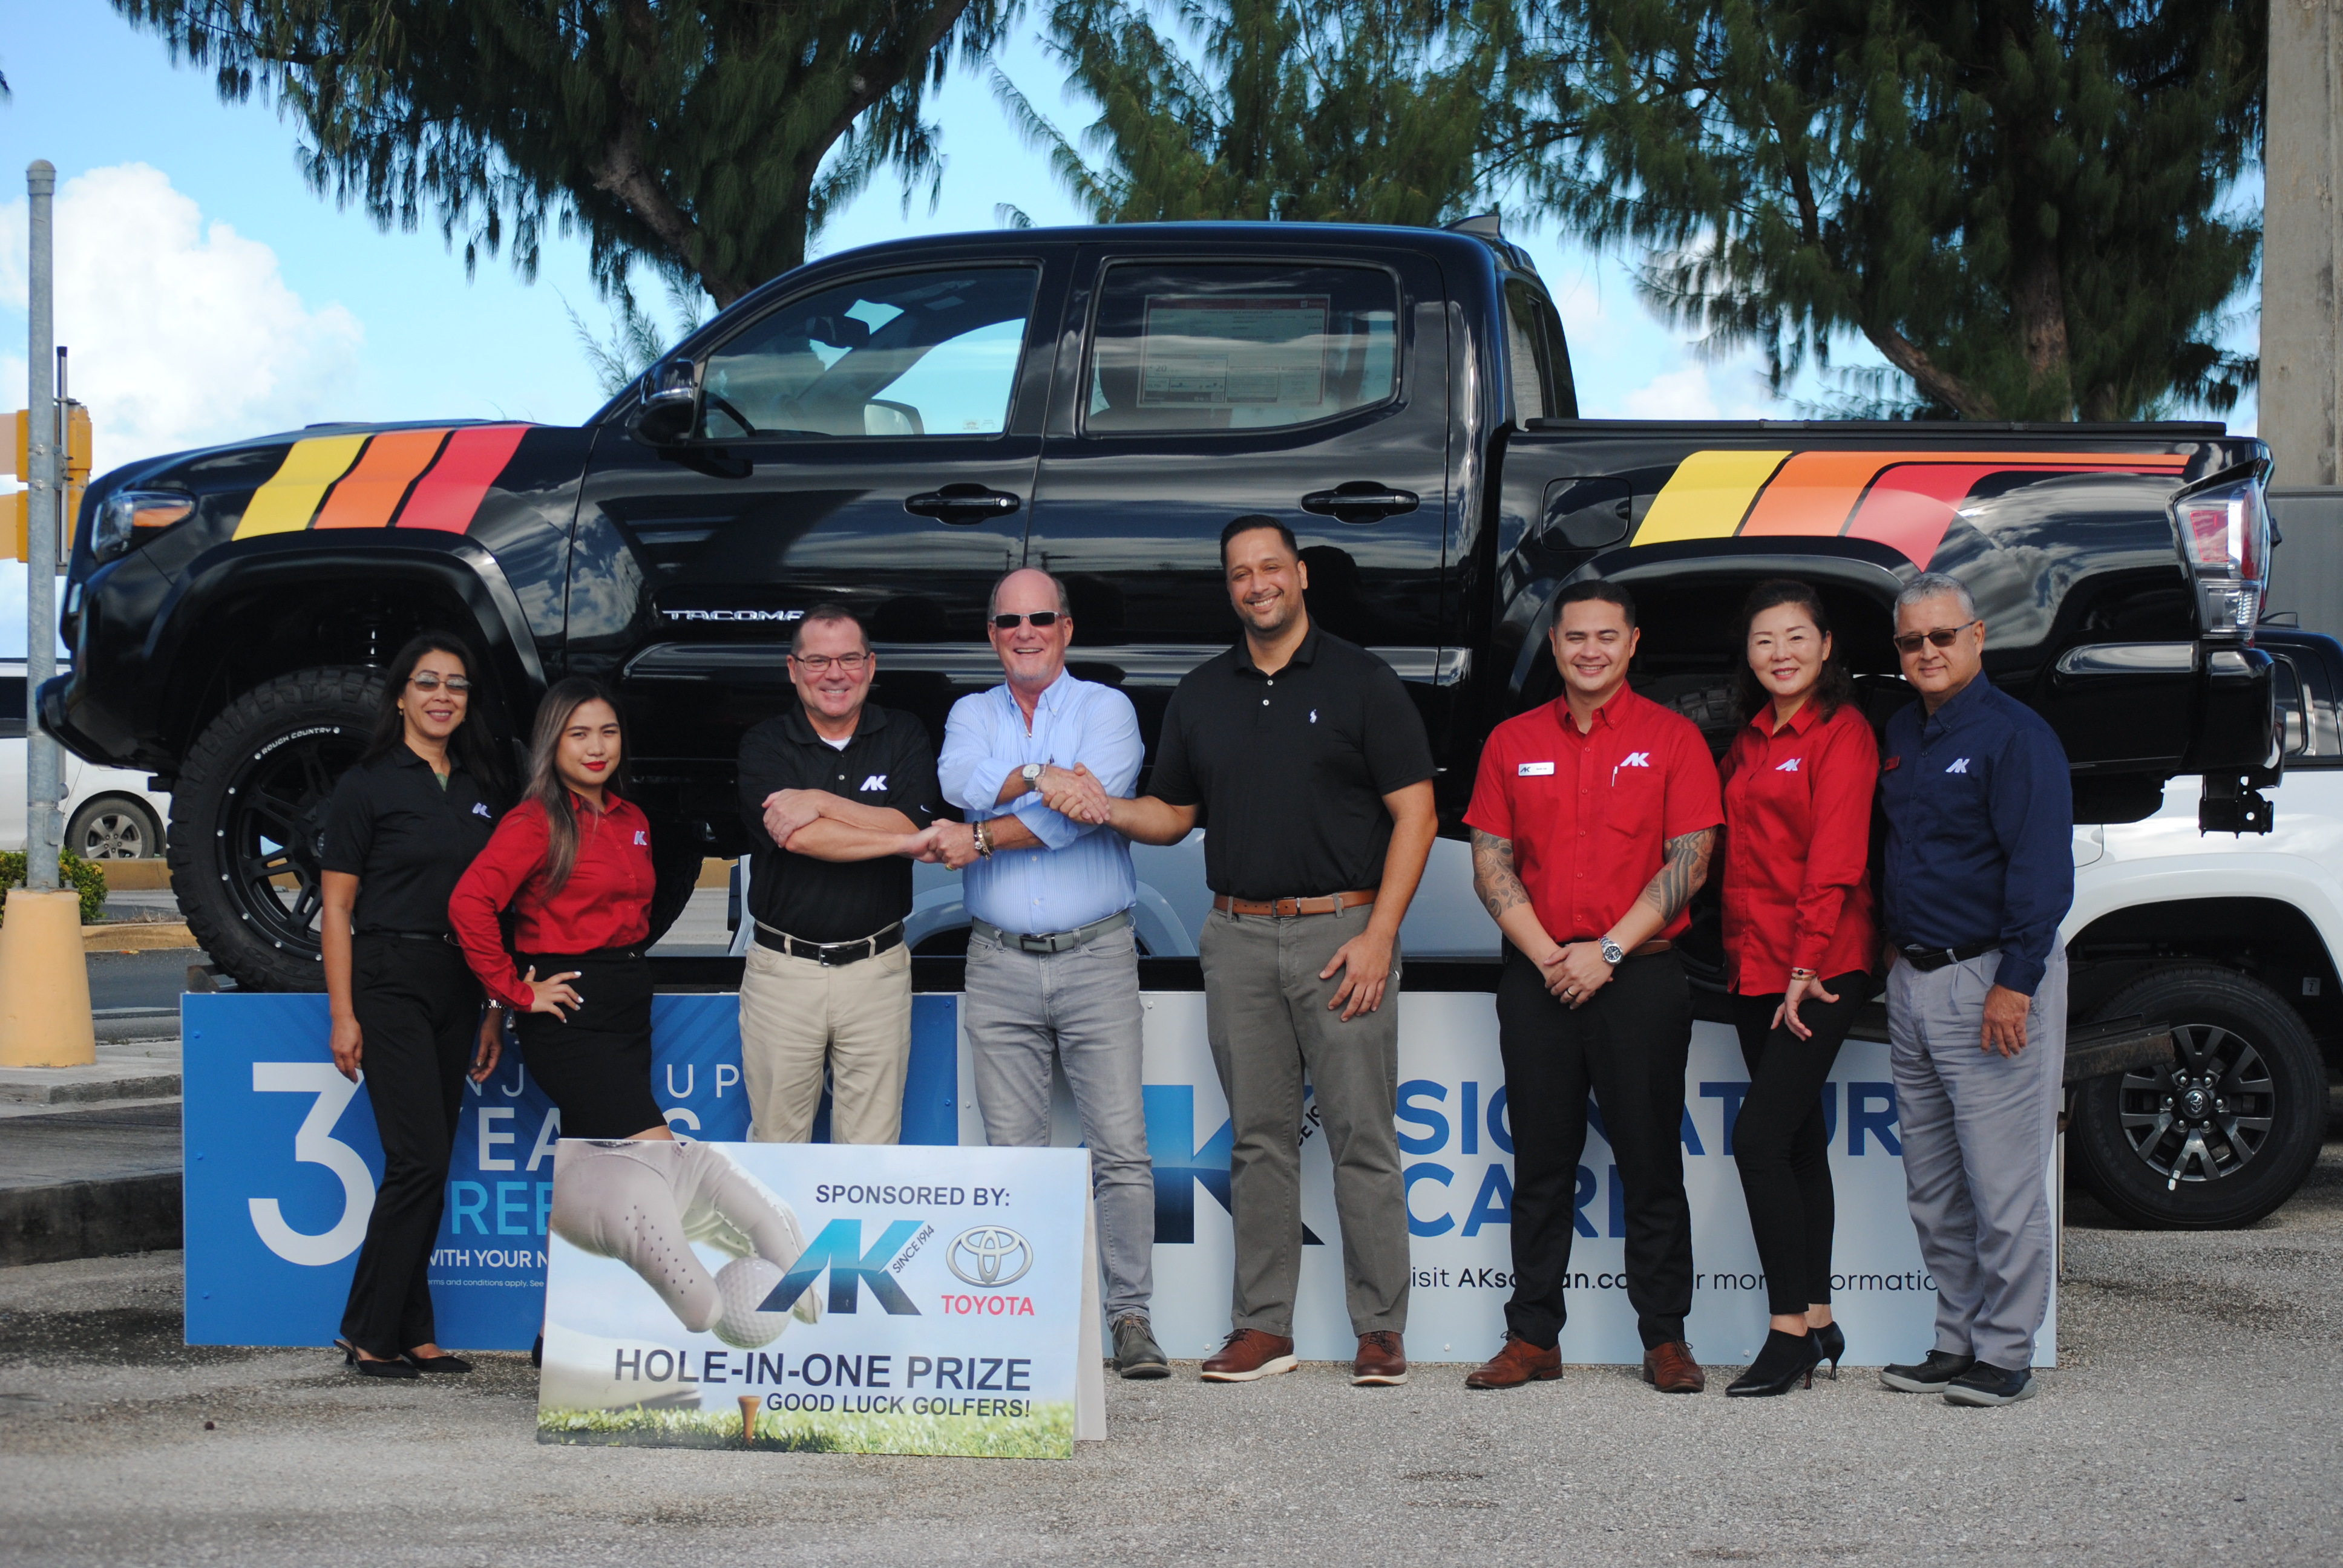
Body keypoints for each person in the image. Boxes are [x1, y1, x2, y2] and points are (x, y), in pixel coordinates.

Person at [1052, 515, 1437, 1388]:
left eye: (1271, 568)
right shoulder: (1201, 693)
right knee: (1259, 1142)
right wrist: (1103, 807)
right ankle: (1263, 1328)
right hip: (1236, 936)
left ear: (1300, 577)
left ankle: (1380, 1330)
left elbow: (1417, 813)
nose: (1256, 584)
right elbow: (1172, 816)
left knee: (1361, 1138)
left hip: (1344, 934)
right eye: (1240, 573)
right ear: (1228, 587)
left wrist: (1381, 935)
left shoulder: (1362, 682)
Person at [1462, 579, 1720, 1394]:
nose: (1591, 651)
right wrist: (1551, 957)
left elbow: (1691, 861)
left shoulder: (1675, 739)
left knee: (1650, 1164)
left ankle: (1666, 1339)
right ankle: (1532, 1337)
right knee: (1540, 1165)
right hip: (1539, 977)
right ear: (1557, 643)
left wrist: (1604, 952)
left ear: (1633, 643)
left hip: (1638, 976)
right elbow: (1491, 862)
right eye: (1576, 637)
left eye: (1607, 636)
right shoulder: (1511, 741)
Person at [931, 567, 1166, 1380]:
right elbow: (957, 784)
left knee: (1122, 1152)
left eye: (1040, 618)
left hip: (1096, 955)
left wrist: (989, 834)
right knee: (1015, 1158)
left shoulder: (1106, 709)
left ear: (1067, 628)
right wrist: (1041, 777)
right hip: (996, 961)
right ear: (991, 634)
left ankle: (1131, 1319)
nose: (1024, 632)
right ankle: (1033, 1324)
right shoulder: (970, 713)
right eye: (1007, 622)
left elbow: (1083, 819)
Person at [1875, 572, 2074, 1408]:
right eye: (1912, 642)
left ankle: (2006, 1350)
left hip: (1992, 977)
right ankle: (1955, 1341)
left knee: (2004, 1183)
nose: (1927, 652)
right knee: (1935, 1186)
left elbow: (2040, 870)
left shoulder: (2014, 737)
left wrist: (2016, 983)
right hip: (1915, 982)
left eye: (1942, 637)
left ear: (1978, 636)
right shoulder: (1900, 733)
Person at [319, 633, 510, 1379]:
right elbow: (336, 908)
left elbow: (496, 906)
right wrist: (343, 1012)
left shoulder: (484, 783)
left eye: (456, 686)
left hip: (461, 980)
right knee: (417, 1159)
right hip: (389, 975)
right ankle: (367, 1332)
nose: (442, 696)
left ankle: (414, 1329)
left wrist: (496, 1003)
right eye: (426, 682)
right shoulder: (366, 785)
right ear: (399, 694)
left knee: (427, 1164)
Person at [1714, 581, 1879, 1396]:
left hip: (1818, 968)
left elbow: (1837, 862)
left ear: (1825, 647)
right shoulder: (1747, 741)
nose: (1780, 654)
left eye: (1796, 638)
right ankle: (1818, 1314)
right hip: (1753, 964)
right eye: (1763, 641)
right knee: (1798, 1140)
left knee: (1757, 1141)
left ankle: (1785, 1334)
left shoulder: (1842, 734)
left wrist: (1806, 967)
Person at [736, 604, 942, 1145]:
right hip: (785, 972)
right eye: (819, 660)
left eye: (850, 659)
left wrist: (821, 800)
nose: (836, 673)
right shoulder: (765, 743)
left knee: (871, 1158)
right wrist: (903, 844)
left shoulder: (903, 734)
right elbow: (800, 837)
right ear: (793, 668)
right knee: (778, 1149)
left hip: (877, 972)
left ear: (871, 667)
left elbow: (909, 816)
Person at [450, 678, 673, 1145]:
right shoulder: (535, 821)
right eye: (579, 734)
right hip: (571, 1013)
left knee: (599, 1176)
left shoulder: (633, 819)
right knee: (657, 1158)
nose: (597, 747)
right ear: (552, 742)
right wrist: (512, 992)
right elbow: (469, 903)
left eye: (608, 732)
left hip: (628, 1005)